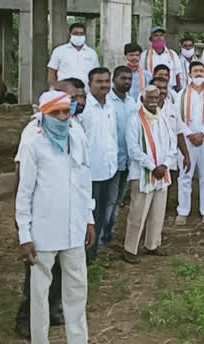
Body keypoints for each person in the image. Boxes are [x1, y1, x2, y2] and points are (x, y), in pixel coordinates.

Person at [16, 90, 96, 344]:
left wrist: (89, 218)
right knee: (39, 294)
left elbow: (84, 181)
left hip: (74, 229)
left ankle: (78, 340)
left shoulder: (77, 136)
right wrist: (24, 235)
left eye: (65, 111)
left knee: (76, 291)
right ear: (44, 114)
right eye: (55, 113)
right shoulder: (33, 142)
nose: (62, 117)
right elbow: (24, 192)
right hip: (43, 232)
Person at [122, 85, 175, 264]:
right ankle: (130, 248)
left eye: (156, 98)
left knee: (158, 212)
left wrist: (165, 164)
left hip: (162, 172)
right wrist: (152, 167)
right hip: (143, 172)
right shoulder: (134, 120)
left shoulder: (165, 118)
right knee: (138, 211)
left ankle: (152, 244)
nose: (153, 101)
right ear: (142, 99)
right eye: (149, 98)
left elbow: (172, 144)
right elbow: (133, 149)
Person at [174, 62, 204, 225]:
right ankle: (183, 211)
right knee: (185, 176)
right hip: (187, 141)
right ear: (189, 74)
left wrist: (203, 133)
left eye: (201, 71)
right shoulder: (181, 94)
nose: (199, 74)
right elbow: (177, 118)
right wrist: (189, 134)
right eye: (195, 71)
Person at [80, 67, 118, 265]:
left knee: (102, 212)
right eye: (99, 82)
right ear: (90, 84)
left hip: (108, 169)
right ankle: (83, 256)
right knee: (89, 217)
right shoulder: (84, 108)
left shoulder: (110, 105)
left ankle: (92, 254)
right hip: (90, 173)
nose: (104, 85)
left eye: (106, 81)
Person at [102, 66, 136, 246]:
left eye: (129, 79)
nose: (127, 82)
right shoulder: (107, 102)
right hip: (112, 159)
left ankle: (109, 232)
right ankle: (102, 236)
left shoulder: (132, 102)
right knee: (110, 199)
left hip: (128, 159)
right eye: (123, 78)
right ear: (114, 79)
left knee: (118, 199)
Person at [153, 77, 191, 178]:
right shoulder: (143, 109)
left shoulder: (172, 108)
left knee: (168, 191)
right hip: (151, 163)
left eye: (164, 88)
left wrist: (186, 156)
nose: (162, 91)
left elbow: (179, 133)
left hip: (169, 162)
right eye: (158, 88)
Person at [47, 22, 100, 88]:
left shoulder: (92, 53)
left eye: (81, 34)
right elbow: (52, 72)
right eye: (75, 33)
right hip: (64, 92)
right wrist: (52, 89)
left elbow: (96, 74)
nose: (79, 36)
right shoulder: (59, 51)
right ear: (70, 34)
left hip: (86, 92)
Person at [140, 26, 181, 90]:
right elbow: (141, 73)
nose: (159, 38)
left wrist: (178, 87)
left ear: (164, 38)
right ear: (150, 39)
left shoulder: (172, 54)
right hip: (151, 88)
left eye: (161, 35)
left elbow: (177, 73)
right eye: (156, 35)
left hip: (169, 89)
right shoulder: (144, 55)